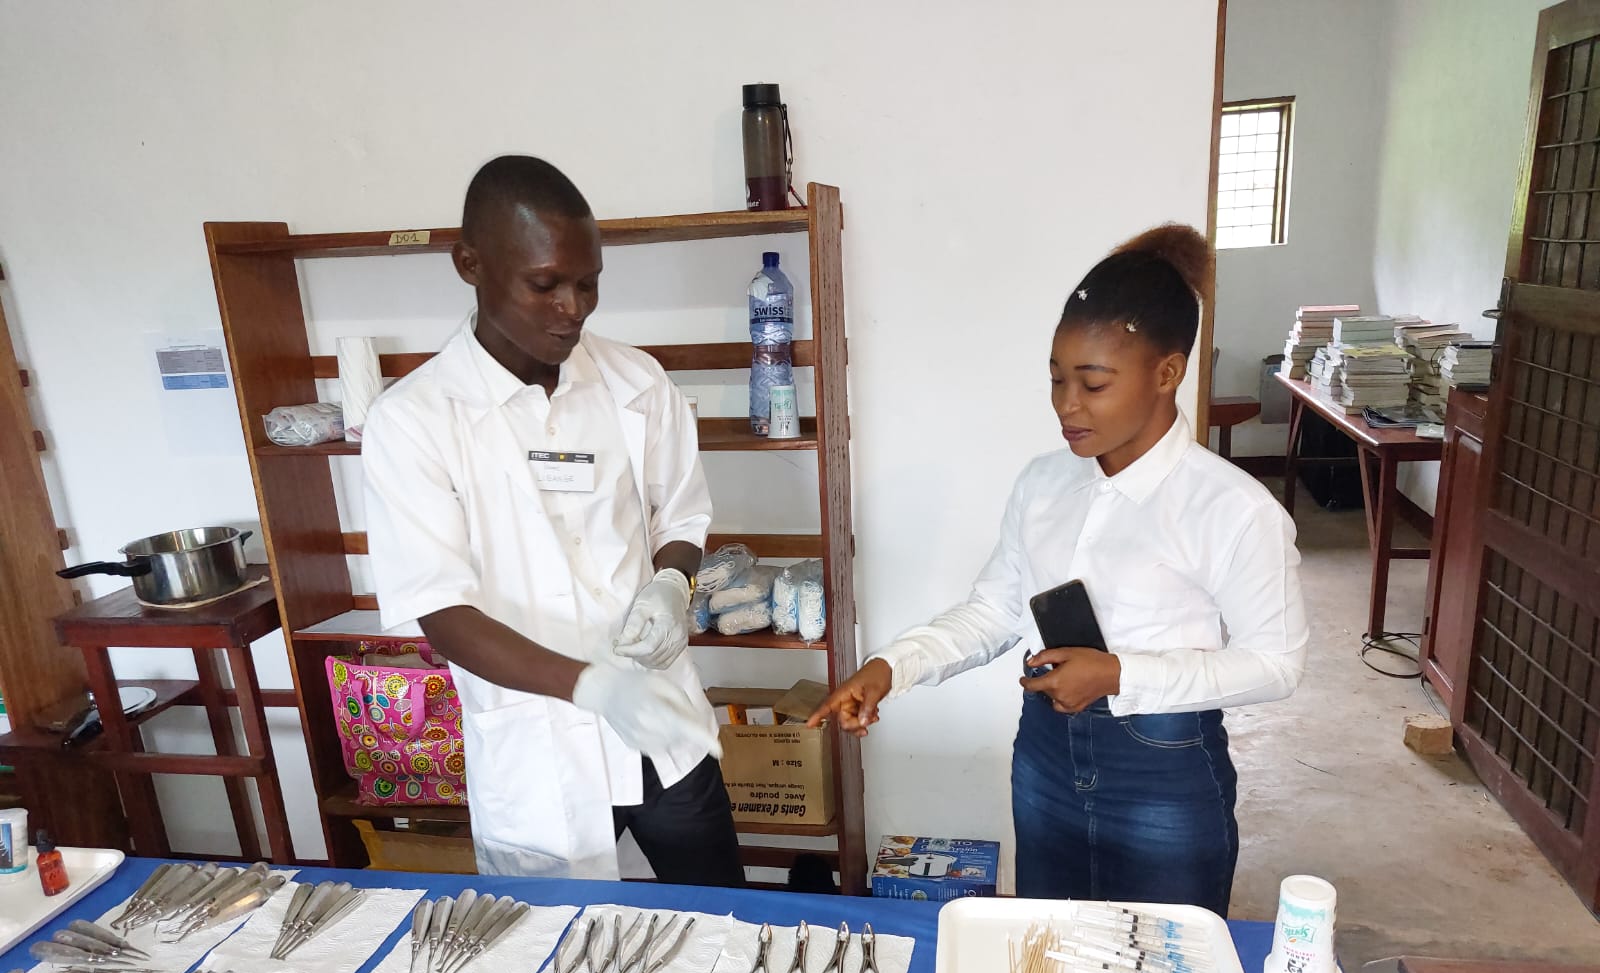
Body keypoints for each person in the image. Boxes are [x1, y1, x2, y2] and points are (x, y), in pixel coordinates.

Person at [809, 224, 1307, 915]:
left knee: (1162, 962)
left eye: (1093, 383)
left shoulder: (1232, 509)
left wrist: (1119, 674)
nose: (1067, 404)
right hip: (1045, 759)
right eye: (1056, 378)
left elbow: (1276, 665)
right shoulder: (1044, 484)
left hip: (1162, 772)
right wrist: (892, 666)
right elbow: (994, 611)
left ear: (1167, 374)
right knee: (1048, 951)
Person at [362, 155, 743, 886]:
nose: (573, 307)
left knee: (722, 918)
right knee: (553, 941)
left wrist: (671, 582)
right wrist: (591, 687)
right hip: (538, 747)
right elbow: (442, 612)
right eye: (544, 285)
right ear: (470, 265)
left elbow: (681, 511)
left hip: (661, 726)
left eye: (588, 282)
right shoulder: (413, 422)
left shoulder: (636, 382)